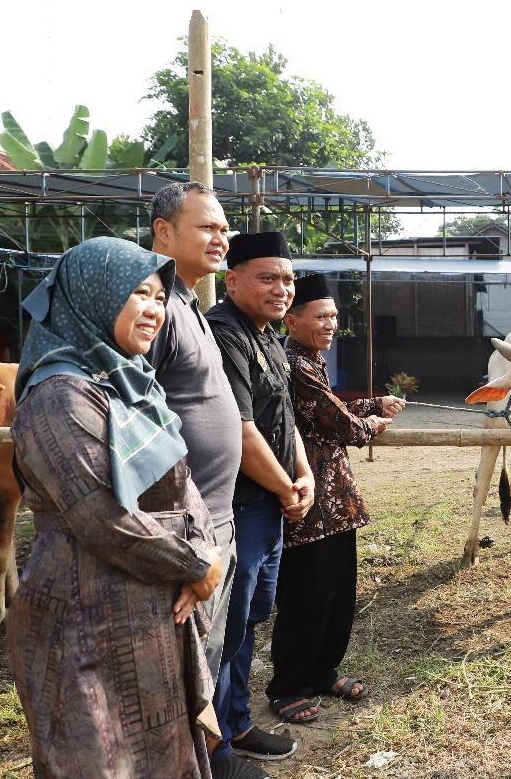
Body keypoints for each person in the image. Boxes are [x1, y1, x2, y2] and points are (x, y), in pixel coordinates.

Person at [6, 237, 224, 777]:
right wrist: (198, 564)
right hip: (84, 625)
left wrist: (204, 546)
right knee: (99, 758)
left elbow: (181, 477)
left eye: (159, 296)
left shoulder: (131, 385)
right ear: (93, 298)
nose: (154, 309)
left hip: (148, 613)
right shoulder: (59, 395)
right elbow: (101, 515)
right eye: (137, 294)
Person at [147, 181, 251, 777]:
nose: (222, 237)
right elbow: (138, 419)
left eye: (223, 228)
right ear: (164, 232)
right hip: (186, 527)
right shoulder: (154, 305)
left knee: (206, 657)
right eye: (208, 227)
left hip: (217, 517)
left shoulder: (188, 300)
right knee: (181, 661)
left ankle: (206, 757)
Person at [266, 275, 402, 718]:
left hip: (335, 505)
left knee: (336, 595)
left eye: (335, 317)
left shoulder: (311, 362)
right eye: (321, 316)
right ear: (291, 320)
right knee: (305, 597)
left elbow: (329, 409)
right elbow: (338, 424)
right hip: (308, 503)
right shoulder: (293, 364)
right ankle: (288, 687)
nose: (331, 325)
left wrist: (372, 404)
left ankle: (322, 673)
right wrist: (371, 425)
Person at [208, 230, 316, 763]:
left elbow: (284, 417)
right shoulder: (222, 333)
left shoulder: (269, 335)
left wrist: (303, 475)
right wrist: (284, 485)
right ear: (232, 280)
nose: (283, 288)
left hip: (270, 501)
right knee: (227, 623)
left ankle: (239, 722)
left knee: (251, 614)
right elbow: (241, 430)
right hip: (238, 505)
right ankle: (216, 741)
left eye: (289, 279)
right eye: (268, 277)